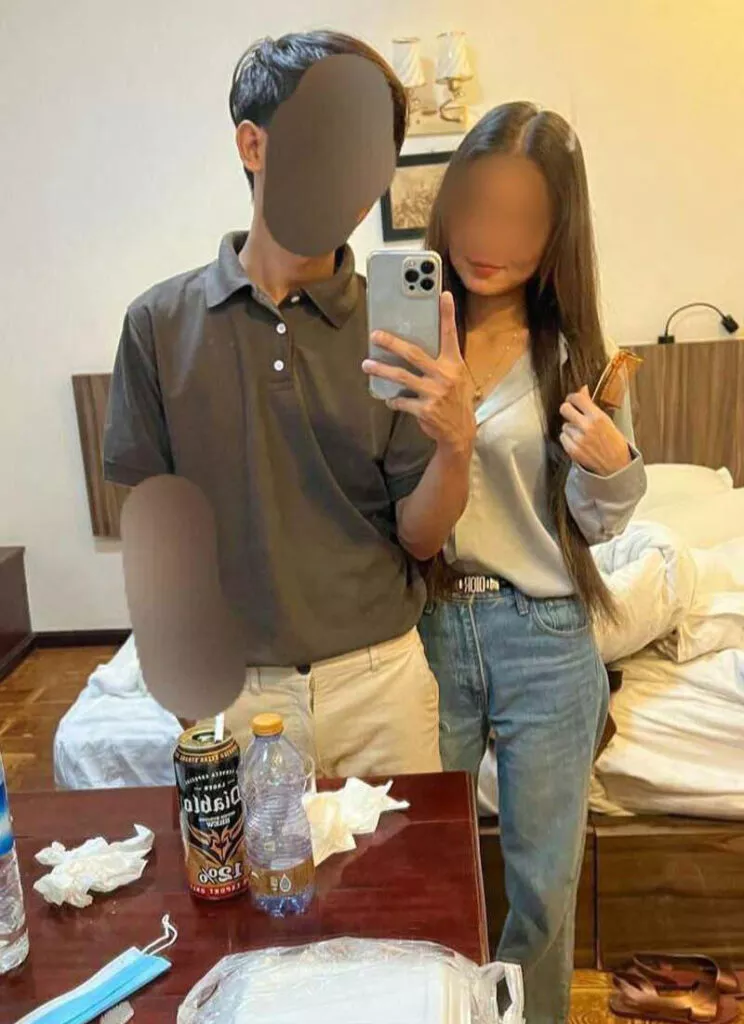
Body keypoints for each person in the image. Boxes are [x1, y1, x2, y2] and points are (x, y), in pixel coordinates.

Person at [103, 31, 475, 775]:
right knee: (241, 864)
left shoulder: (397, 328)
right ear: (254, 145)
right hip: (232, 690)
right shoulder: (158, 325)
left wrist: (457, 444)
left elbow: (420, 538)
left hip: (380, 683)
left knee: (400, 862)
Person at [403, 102, 645, 1023]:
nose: (490, 238)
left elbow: (595, 524)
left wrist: (614, 471)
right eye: (477, 206)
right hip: (424, 627)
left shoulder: (579, 356)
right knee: (422, 864)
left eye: (521, 218)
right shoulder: (403, 338)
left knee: (542, 888)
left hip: (544, 633)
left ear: (555, 234)